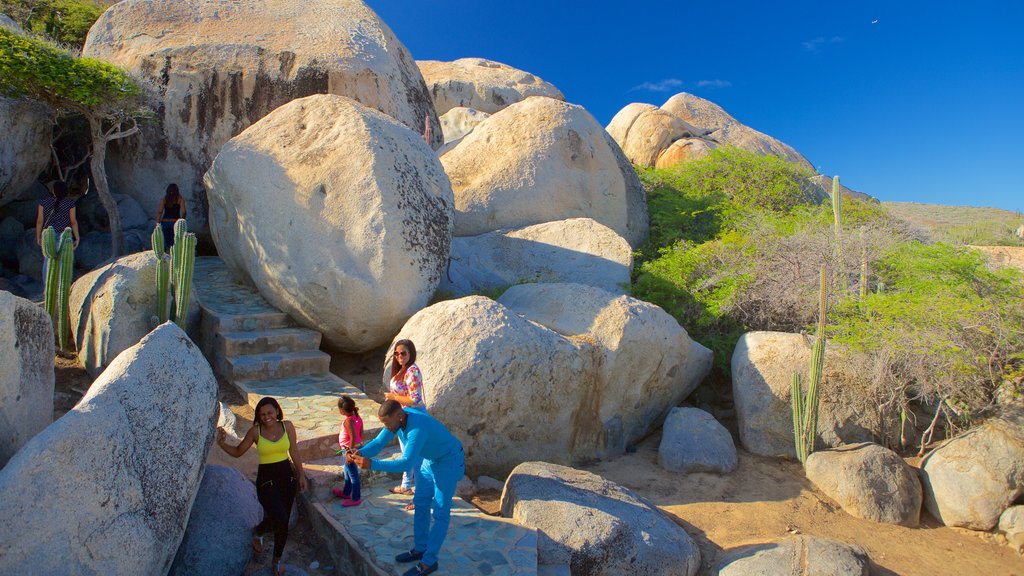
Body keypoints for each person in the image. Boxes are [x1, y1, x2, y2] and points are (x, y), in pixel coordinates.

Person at [349, 400, 464, 576]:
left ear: (400, 416)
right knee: (420, 502)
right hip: (430, 460)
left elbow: (406, 463)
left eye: (387, 423)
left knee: (440, 512)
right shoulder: (398, 419)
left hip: (448, 461)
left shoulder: (416, 429)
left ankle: (429, 561)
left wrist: (371, 464)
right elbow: (379, 443)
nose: (385, 427)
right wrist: (361, 453)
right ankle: (420, 548)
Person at [216, 397, 307, 576]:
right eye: (263, 414)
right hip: (267, 480)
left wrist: (301, 475)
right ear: (258, 416)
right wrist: (221, 444)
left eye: (270, 413)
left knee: (283, 521)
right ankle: (261, 535)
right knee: (280, 517)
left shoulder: (287, 426)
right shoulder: (255, 432)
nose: (267, 417)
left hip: (287, 478)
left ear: (277, 412)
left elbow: (294, 451)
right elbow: (237, 452)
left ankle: (275, 556)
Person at [385, 339, 426, 501]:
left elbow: (416, 399)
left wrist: (393, 397)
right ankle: (406, 485)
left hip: (413, 417)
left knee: (416, 457)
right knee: (407, 455)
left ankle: (422, 494)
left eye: (403, 353)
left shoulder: (412, 371)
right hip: (403, 418)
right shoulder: (402, 370)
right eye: (396, 353)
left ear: (410, 354)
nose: (399, 356)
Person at [333, 395, 363, 507]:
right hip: (354, 448)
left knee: (353, 475)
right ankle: (346, 492)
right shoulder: (357, 417)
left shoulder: (348, 421)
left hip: (349, 451)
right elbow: (360, 432)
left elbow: (353, 437)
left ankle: (356, 498)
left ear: (342, 410)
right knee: (347, 472)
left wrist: (349, 453)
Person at [35, 180, 80, 250]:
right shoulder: (70, 204)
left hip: (48, 234)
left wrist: (38, 237)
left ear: (53, 191)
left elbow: (40, 221)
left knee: (49, 259)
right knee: (64, 259)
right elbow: (73, 222)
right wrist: (77, 238)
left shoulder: (43, 203)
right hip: (65, 234)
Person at [155, 183, 186, 248]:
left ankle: (167, 255)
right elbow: (184, 212)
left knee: (166, 242)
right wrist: (182, 220)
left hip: (165, 222)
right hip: (175, 222)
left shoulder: (164, 199)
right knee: (174, 243)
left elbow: (160, 212)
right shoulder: (180, 199)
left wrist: (157, 224)